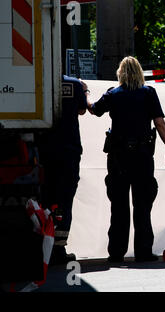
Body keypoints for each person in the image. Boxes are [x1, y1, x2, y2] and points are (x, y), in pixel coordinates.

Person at [88, 56, 165, 262]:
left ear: (121, 73)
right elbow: (159, 123)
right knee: (143, 204)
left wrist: (85, 97)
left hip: (118, 158)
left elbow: (94, 110)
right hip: (143, 156)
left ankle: (116, 252)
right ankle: (143, 251)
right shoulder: (149, 93)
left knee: (118, 204)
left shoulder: (113, 94)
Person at [38, 75, 89, 265]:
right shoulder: (74, 84)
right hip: (69, 151)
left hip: (44, 150)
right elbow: (82, 110)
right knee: (65, 200)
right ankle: (59, 248)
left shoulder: (39, 81)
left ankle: (43, 246)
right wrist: (83, 91)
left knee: (46, 198)